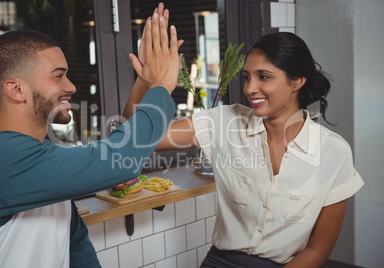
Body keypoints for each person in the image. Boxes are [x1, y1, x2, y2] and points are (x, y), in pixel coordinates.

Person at [126, 32, 364, 267]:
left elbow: (318, 250)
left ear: (297, 81)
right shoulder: (223, 122)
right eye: (247, 77)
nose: (250, 88)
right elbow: (137, 138)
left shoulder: (334, 152)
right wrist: (147, 83)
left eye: (263, 76)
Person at [0, 3, 180, 268]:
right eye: (58, 77)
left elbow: (75, 246)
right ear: (16, 89)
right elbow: (122, 158)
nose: (71, 87)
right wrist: (162, 85)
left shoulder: (40, 155)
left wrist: (144, 83)